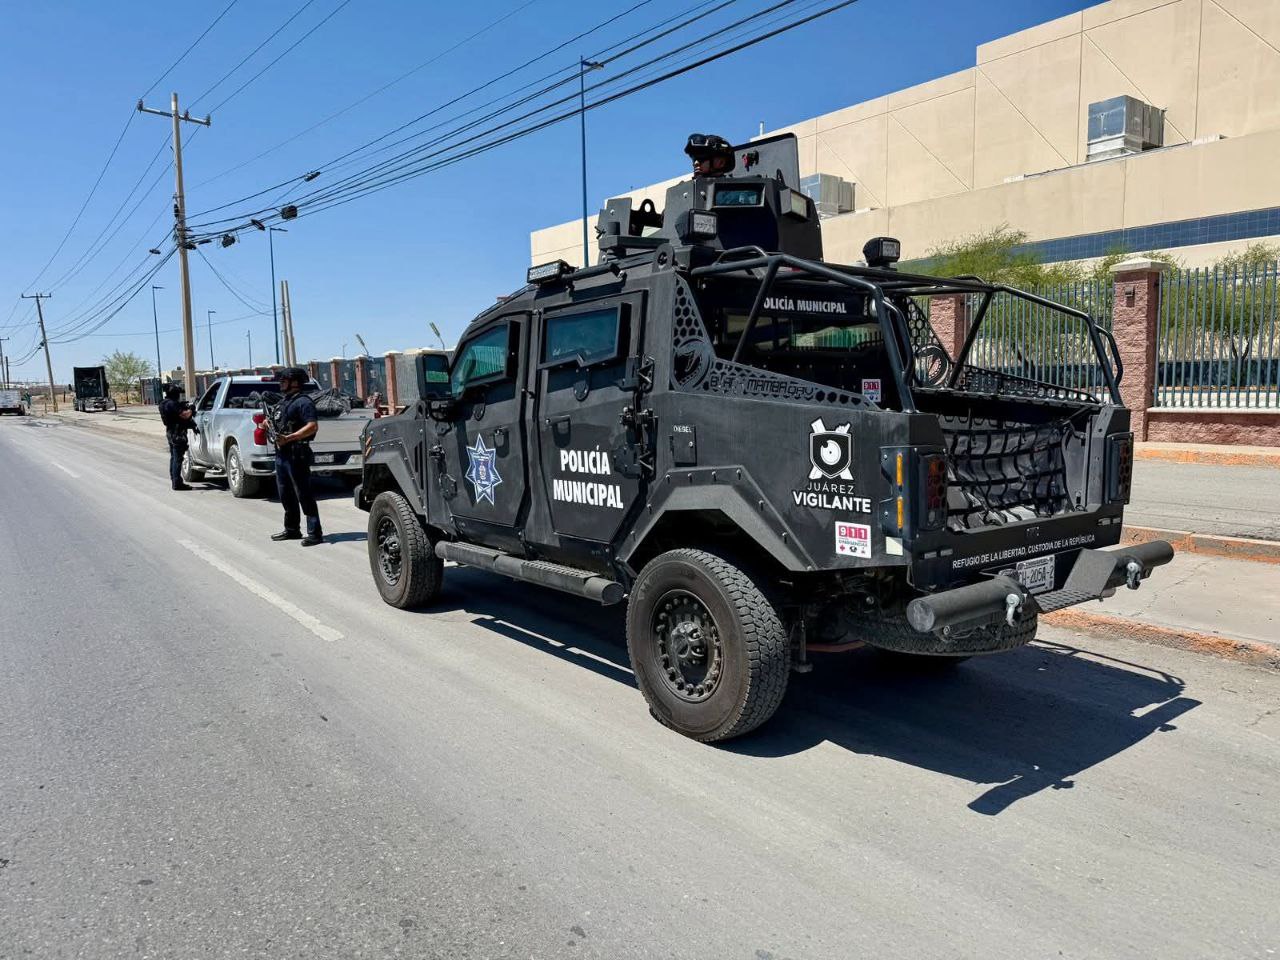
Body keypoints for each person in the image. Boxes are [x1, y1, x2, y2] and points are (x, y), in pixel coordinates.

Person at [271, 367, 324, 546]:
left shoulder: (303, 402)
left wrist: (289, 438)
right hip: (282, 454)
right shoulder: (283, 402)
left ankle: (315, 533)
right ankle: (292, 529)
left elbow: (312, 426)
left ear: (295, 382)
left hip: (297, 454)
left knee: (303, 493)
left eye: (284, 380)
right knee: (285, 494)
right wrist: (266, 424)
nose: (281, 383)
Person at [158, 384, 197, 491]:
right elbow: (185, 415)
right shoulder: (171, 404)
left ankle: (175, 481)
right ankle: (177, 483)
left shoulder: (164, 403)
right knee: (177, 459)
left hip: (171, 432)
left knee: (174, 458)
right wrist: (191, 410)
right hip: (177, 433)